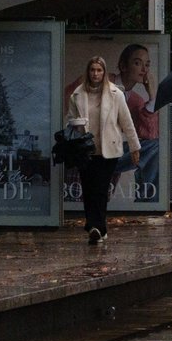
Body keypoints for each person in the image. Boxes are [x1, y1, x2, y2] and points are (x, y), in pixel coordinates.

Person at [65, 57, 140, 245]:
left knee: (100, 189)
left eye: (99, 70)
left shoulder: (116, 94)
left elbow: (126, 122)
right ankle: (97, 227)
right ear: (87, 72)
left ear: (104, 72)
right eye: (92, 70)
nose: (95, 74)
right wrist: (74, 125)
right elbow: (70, 119)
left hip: (109, 149)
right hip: (85, 150)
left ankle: (95, 226)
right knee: (88, 189)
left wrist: (134, 147)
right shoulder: (77, 94)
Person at [113, 44, 159, 202]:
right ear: (123, 66)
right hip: (92, 150)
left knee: (155, 146)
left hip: (111, 152)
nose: (144, 69)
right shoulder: (106, 83)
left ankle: (148, 202)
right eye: (138, 63)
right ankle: (149, 203)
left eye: (147, 65)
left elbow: (150, 135)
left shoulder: (134, 100)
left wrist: (152, 96)